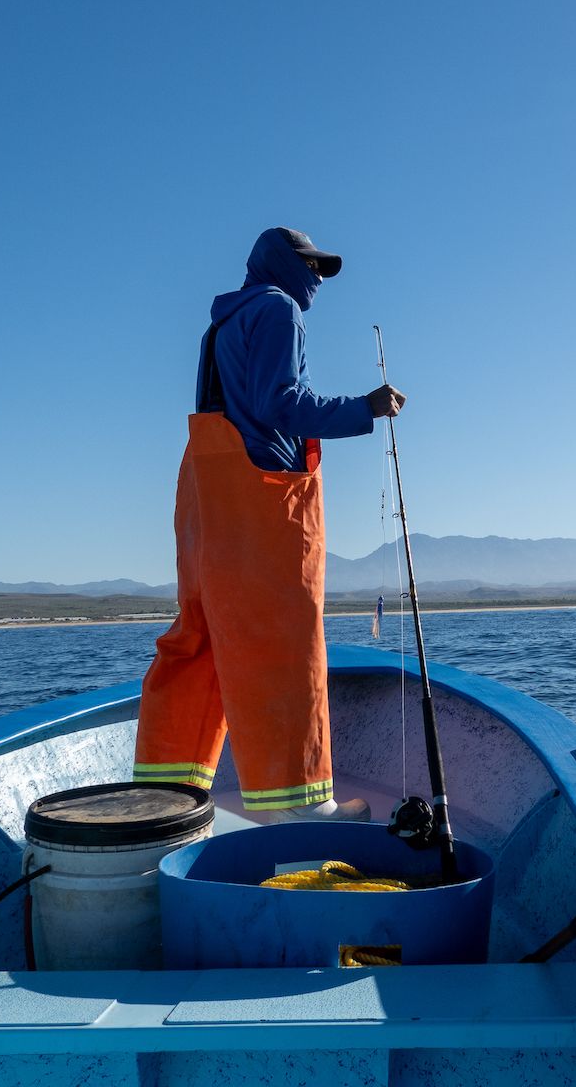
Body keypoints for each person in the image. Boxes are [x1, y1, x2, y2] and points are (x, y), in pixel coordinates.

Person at [133, 227, 404, 820]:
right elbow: (280, 402)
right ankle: (304, 812)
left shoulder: (221, 323)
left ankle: (164, 798)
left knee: (199, 640)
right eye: (312, 265)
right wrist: (366, 407)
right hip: (262, 501)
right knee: (283, 642)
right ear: (283, 263)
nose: (318, 280)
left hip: (207, 504)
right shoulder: (278, 309)